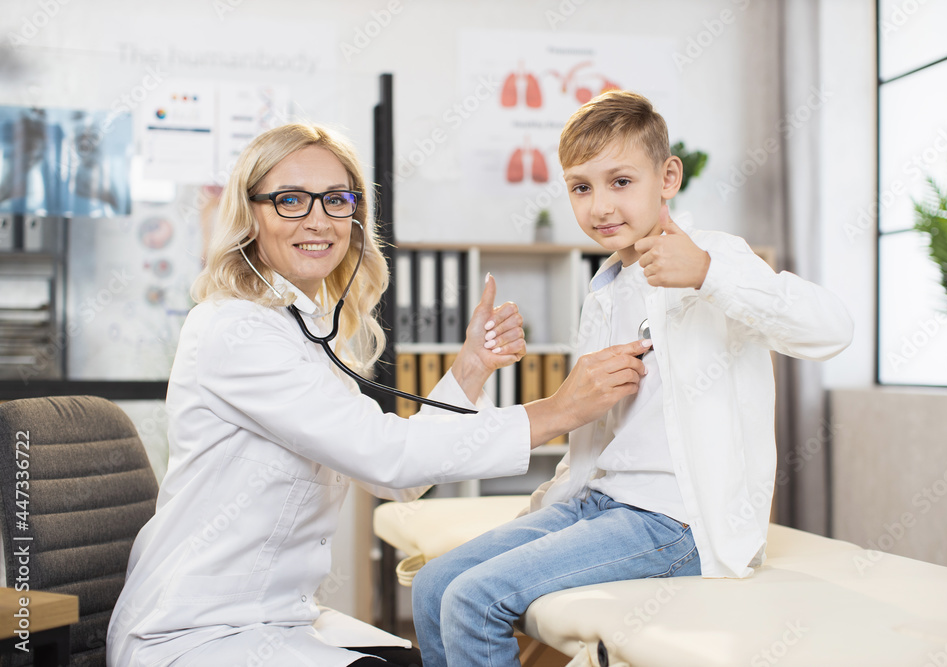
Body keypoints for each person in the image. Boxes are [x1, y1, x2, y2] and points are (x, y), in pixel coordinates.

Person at [106, 123, 651, 667]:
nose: (318, 220)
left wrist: (470, 369)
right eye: (290, 200)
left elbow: (400, 481)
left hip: (275, 621)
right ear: (250, 215)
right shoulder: (234, 331)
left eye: (336, 200)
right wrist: (559, 410)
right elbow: (387, 456)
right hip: (194, 634)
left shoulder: (305, 329)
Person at [412, 90, 854, 666]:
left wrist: (708, 274)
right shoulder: (605, 289)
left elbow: (831, 329)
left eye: (620, 181)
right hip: (598, 504)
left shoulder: (717, 256)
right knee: (432, 586)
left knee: (474, 600)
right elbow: (592, 442)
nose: (600, 206)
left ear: (668, 176)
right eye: (581, 187)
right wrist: (541, 521)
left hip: (673, 520)